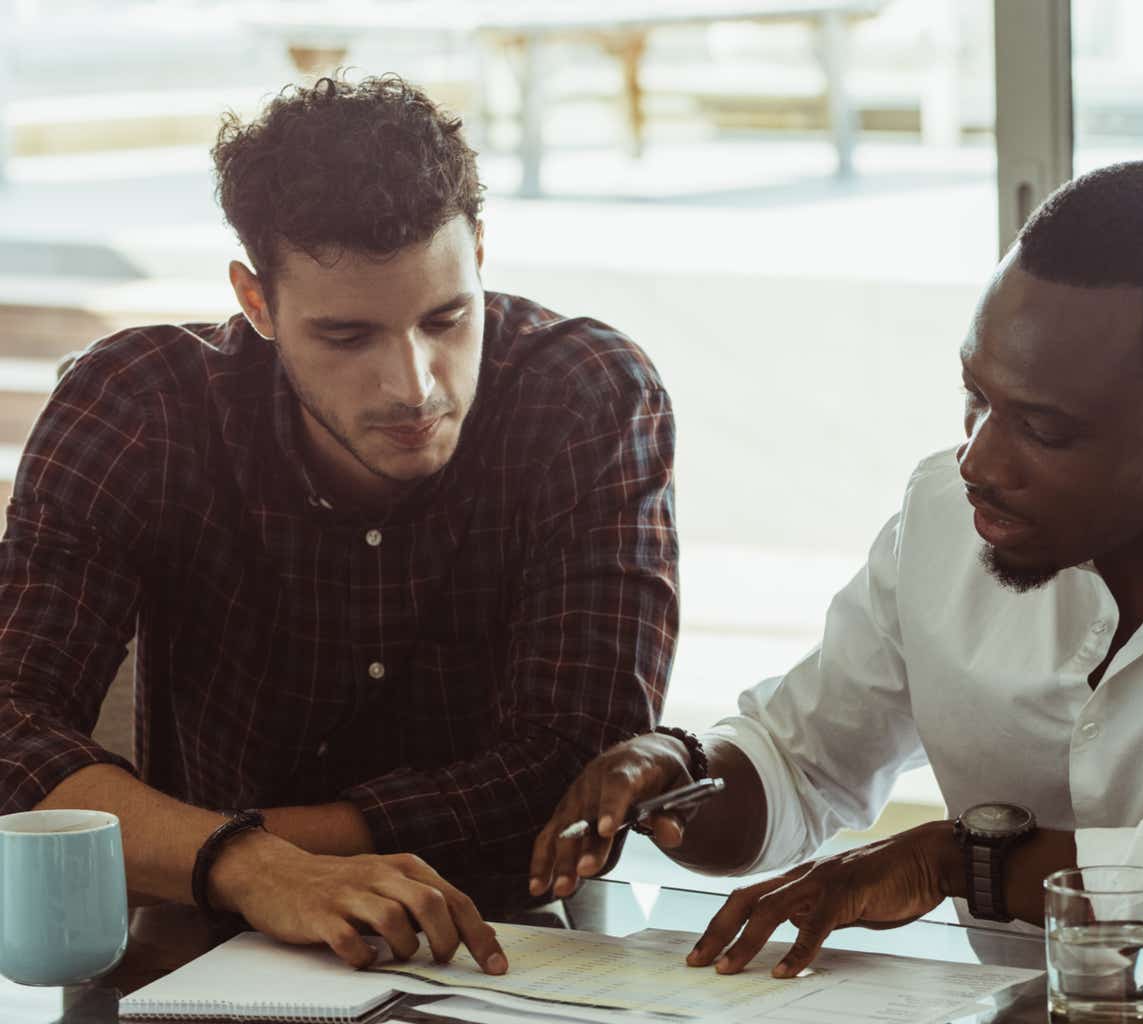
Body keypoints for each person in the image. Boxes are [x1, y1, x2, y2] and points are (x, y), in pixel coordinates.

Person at [531, 160, 1143, 983]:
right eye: (975, 396)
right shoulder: (941, 516)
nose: (979, 461)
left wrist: (972, 864)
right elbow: (803, 761)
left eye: (1043, 428)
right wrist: (675, 779)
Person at [0, 75, 679, 972]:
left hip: (505, 948)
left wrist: (234, 852)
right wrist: (248, 869)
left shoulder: (584, 394)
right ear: (255, 301)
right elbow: (10, 723)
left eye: (447, 318)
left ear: (478, 250)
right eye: (347, 337)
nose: (415, 385)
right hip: (202, 946)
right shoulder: (142, 405)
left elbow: (579, 766)